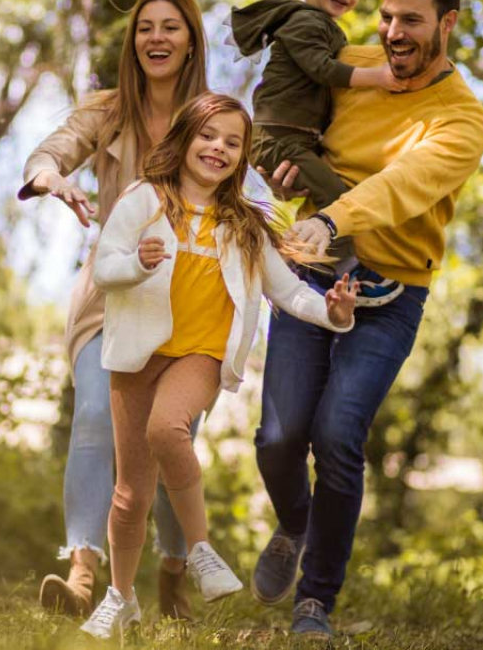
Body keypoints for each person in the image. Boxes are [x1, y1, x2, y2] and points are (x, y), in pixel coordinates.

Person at [249, 0, 483, 638]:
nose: (392, 33)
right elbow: (281, 114)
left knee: (336, 435)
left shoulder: (463, 119)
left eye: (410, 20)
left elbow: (403, 184)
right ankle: (295, 525)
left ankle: (315, 601)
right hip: (312, 273)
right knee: (277, 437)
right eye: (386, 17)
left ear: (447, 23)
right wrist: (282, 160)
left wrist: (330, 218)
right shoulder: (350, 63)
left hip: (391, 293)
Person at [79, 92, 359, 639]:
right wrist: (136, 264)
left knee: (167, 428)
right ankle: (120, 596)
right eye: (209, 136)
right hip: (138, 353)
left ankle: (201, 550)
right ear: (185, 138)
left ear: (241, 157)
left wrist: (332, 313)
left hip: (200, 356)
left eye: (233, 143)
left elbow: (289, 291)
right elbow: (105, 268)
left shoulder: (247, 226)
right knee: (130, 493)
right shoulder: (144, 200)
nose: (219, 149)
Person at [17, 0, 208, 621]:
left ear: (190, 41)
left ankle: (173, 573)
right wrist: (51, 176)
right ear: (133, 43)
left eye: (170, 28)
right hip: (113, 294)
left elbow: (252, 187)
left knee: (170, 434)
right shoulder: (106, 112)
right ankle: (81, 576)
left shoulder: (211, 118)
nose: (156, 38)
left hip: (189, 302)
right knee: (97, 416)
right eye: (145, 28)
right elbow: (50, 150)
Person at [230, 0, 405, 289]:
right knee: (338, 200)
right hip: (279, 138)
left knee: (332, 194)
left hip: (291, 138)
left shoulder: (321, 24)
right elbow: (321, 69)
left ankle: (310, 264)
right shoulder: (304, 21)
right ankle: (332, 270)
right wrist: (379, 77)